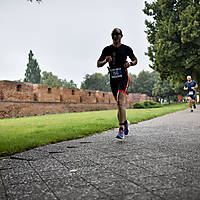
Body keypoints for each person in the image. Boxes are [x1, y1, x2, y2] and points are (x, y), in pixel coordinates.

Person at [97, 28, 137, 139]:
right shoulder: (107, 49)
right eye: (114, 34)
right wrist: (106, 61)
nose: (115, 36)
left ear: (121, 36)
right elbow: (98, 63)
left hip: (123, 77)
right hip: (113, 79)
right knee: (119, 105)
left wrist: (130, 63)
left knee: (120, 102)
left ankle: (121, 129)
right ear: (111, 36)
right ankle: (125, 123)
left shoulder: (126, 49)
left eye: (117, 34)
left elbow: (135, 60)